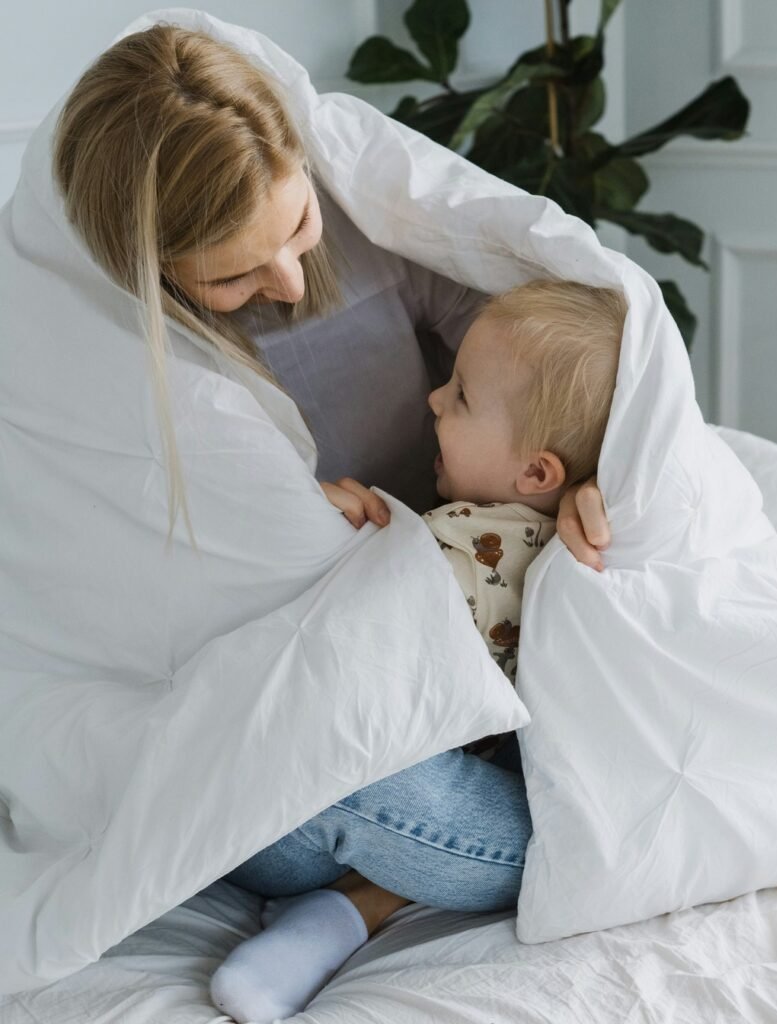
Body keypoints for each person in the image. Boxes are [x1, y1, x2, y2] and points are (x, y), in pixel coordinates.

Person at [51, 23, 612, 1022]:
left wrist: (585, 477)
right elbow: (133, 623)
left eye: (299, 228)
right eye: (232, 276)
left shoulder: (374, 233)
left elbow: (538, 365)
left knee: (601, 793)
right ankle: (362, 885)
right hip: (281, 729)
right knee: (530, 830)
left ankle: (356, 904)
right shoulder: (92, 372)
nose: (292, 286)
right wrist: (291, 538)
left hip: (443, 672)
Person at [211, 278, 626, 1021]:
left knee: (572, 835)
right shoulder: (447, 530)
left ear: (537, 472)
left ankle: (353, 909)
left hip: (398, 790)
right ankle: (361, 900)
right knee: (355, 761)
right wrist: (321, 535)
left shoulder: (572, 550)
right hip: (287, 797)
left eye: (460, 395)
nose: (434, 399)